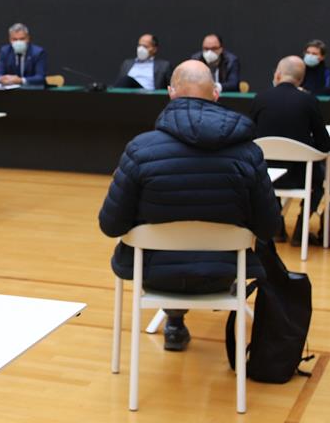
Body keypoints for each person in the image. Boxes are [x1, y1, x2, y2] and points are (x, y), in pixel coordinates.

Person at [98, 60, 282, 351]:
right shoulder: (249, 153)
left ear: (171, 93)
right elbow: (269, 226)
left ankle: (174, 323)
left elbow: (111, 225)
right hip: (224, 274)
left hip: (154, 274)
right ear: (216, 94)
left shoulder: (140, 150)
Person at [250, 56, 330, 242]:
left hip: (266, 176)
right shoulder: (309, 101)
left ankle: (277, 227)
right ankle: (301, 228)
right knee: (318, 183)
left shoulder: (260, 99)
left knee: (269, 168)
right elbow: (325, 144)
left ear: (277, 75)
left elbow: (250, 135)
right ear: (301, 80)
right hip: (301, 176)